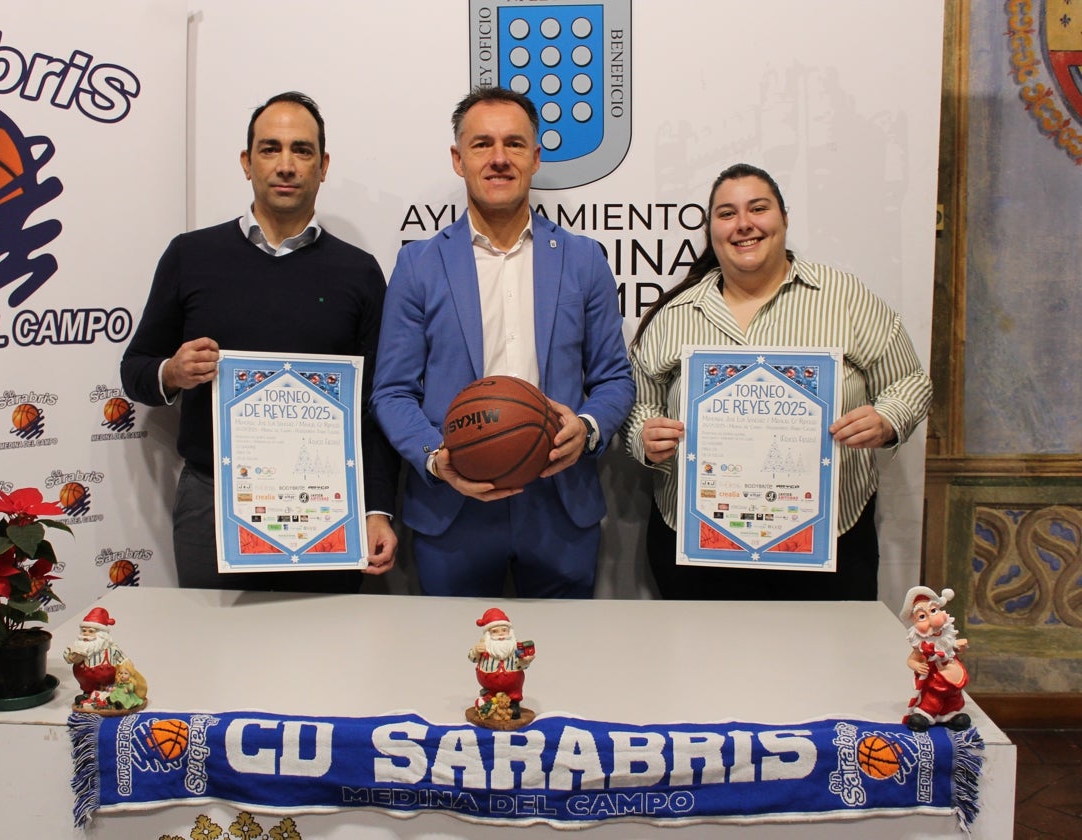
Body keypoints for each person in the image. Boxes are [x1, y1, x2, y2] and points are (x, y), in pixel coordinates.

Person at [121, 91, 399, 592]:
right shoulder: (191, 255)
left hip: (328, 506)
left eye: (303, 150)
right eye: (270, 149)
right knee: (213, 658)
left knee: (326, 658)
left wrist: (377, 508)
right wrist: (172, 372)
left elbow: (376, 403)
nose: (286, 165)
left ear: (324, 165)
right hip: (214, 501)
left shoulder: (358, 272)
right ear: (247, 163)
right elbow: (135, 368)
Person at [370, 87, 634, 598]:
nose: (498, 159)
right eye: (481, 144)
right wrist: (435, 457)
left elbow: (613, 378)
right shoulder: (419, 264)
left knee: (568, 662)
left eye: (514, 144)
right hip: (453, 507)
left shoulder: (584, 259)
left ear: (536, 158)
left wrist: (589, 426)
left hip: (561, 505)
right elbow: (392, 392)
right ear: (458, 159)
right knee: (450, 664)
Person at [623, 163, 932, 600]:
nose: (744, 224)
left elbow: (911, 381)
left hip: (828, 543)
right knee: (700, 666)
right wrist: (644, 436)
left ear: (783, 218)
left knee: (826, 668)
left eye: (758, 208)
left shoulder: (844, 298)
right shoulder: (676, 315)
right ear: (711, 229)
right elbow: (640, 403)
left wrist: (885, 420)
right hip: (697, 548)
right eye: (727, 213)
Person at [901, 586, 971, 731]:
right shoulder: (921, 645)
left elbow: (950, 647)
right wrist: (917, 666)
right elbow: (911, 660)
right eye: (922, 616)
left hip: (954, 680)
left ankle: (952, 715)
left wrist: (959, 646)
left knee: (954, 699)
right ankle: (925, 715)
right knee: (932, 699)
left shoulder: (946, 637)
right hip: (935, 680)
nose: (933, 620)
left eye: (933, 611)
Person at [468, 607, 534, 719]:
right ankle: (489, 701)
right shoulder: (485, 647)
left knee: (514, 709)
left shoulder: (515, 648)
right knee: (488, 701)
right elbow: (472, 658)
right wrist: (475, 651)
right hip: (489, 685)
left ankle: (513, 703)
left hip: (512, 686)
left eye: (504, 630)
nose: (501, 634)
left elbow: (522, 664)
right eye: (495, 631)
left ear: (510, 632)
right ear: (488, 634)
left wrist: (526, 661)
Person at [63, 607, 126, 699]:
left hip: (109, 689)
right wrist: (70, 657)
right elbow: (67, 656)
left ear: (102, 634)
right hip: (88, 689)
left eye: (91, 631)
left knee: (110, 696)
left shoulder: (111, 650)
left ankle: (110, 698)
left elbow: (125, 663)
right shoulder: (77, 647)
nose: (86, 634)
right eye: (84, 630)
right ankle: (87, 695)